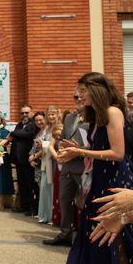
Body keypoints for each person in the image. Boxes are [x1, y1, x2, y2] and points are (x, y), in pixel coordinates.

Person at [57, 72, 133, 264]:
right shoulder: (93, 117)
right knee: (94, 239)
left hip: (117, 184)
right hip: (99, 183)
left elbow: (117, 153)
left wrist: (79, 151)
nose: (79, 95)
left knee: (116, 244)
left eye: (83, 90)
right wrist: (76, 151)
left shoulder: (114, 112)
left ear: (97, 90)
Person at [44, 91, 87, 246]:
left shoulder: (94, 118)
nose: (79, 99)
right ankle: (65, 234)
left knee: (85, 202)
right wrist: (62, 152)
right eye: (75, 97)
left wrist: (78, 151)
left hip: (83, 167)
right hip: (66, 168)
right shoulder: (69, 118)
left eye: (81, 96)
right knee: (64, 201)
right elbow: (62, 140)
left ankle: (86, 236)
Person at [9, 104, 37, 215]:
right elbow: (17, 137)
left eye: (26, 112)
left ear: (31, 113)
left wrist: (12, 133)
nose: (24, 115)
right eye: (22, 113)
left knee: (30, 184)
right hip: (18, 159)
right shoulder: (20, 124)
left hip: (27, 159)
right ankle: (24, 206)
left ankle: (32, 208)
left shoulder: (33, 125)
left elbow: (27, 135)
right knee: (22, 184)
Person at [35, 106, 60, 224]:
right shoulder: (46, 129)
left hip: (54, 161)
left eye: (53, 114)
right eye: (49, 114)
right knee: (44, 187)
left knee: (53, 188)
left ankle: (52, 216)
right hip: (45, 160)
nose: (51, 117)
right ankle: (44, 215)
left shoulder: (60, 127)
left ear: (58, 114)